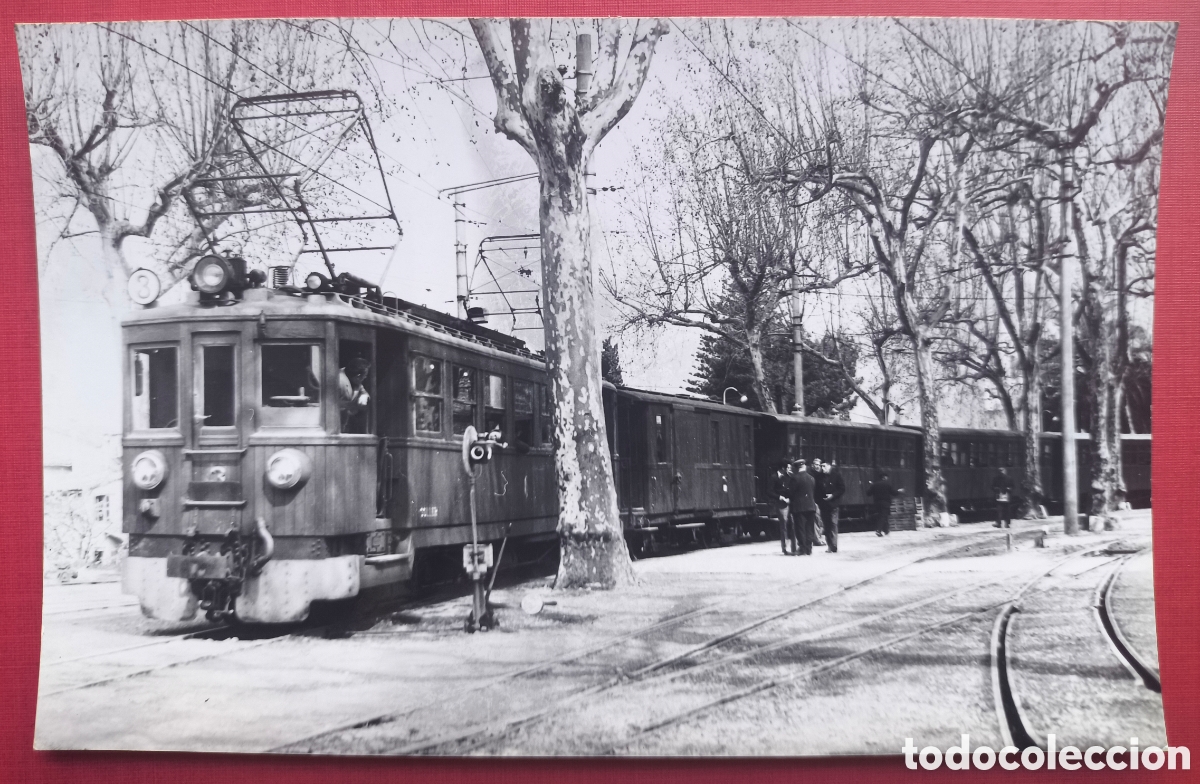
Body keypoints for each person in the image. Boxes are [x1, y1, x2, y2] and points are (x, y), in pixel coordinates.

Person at [786, 460, 818, 555]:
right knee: (809, 528)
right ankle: (809, 549)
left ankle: (802, 549)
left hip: (799, 508)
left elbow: (791, 493)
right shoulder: (812, 478)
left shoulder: (795, 478)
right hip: (811, 507)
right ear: (804, 466)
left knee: (800, 528)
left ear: (796, 468)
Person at [818, 459, 846, 553]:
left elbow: (842, 488)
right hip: (824, 505)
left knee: (833, 524)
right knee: (827, 525)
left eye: (824, 466)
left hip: (833, 504)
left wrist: (833, 495)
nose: (822, 468)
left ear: (829, 466)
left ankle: (833, 546)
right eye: (821, 466)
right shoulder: (820, 476)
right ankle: (829, 545)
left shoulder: (836, 475)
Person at [339, 357, 371, 433]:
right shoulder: (338, 380)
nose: (365, 377)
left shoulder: (354, 379)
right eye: (365, 375)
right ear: (358, 376)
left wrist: (364, 396)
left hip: (344, 423)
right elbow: (331, 404)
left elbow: (363, 391)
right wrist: (353, 405)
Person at [867, 472, 901, 537]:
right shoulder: (887, 485)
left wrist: (871, 486)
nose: (887, 478)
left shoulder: (874, 485)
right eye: (886, 477)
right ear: (884, 477)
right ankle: (878, 530)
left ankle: (886, 530)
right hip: (885, 503)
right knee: (883, 516)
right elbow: (894, 493)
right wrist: (899, 491)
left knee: (883, 516)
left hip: (877, 503)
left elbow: (868, 493)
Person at [774, 462, 798, 555]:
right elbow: (772, 491)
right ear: (783, 468)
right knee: (783, 525)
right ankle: (784, 548)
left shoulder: (792, 477)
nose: (790, 469)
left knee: (793, 524)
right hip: (782, 504)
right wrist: (781, 497)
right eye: (788, 467)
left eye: (790, 467)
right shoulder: (778, 478)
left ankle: (794, 548)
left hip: (791, 503)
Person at [811, 460, 827, 547]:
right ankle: (817, 539)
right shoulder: (813, 475)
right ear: (812, 465)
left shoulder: (821, 476)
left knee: (820, 521)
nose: (817, 466)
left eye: (819, 465)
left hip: (821, 501)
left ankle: (818, 538)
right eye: (816, 464)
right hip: (815, 501)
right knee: (817, 521)